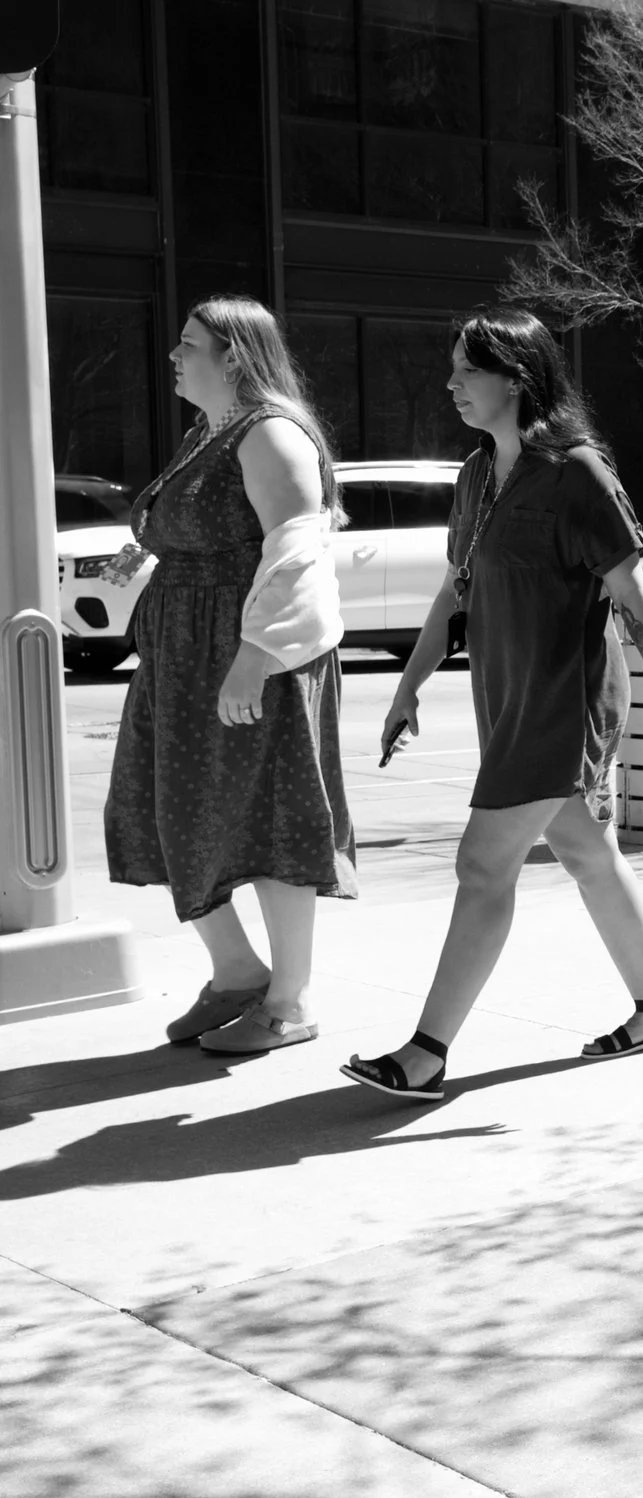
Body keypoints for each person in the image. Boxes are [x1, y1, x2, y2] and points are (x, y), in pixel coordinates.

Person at [340, 306, 643, 1103]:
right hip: (505, 698)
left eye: (466, 372)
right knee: (585, 856)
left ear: (515, 377)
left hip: (562, 701)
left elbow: (632, 592)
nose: (451, 385)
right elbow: (455, 589)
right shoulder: (478, 475)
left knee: (481, 867)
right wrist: (409, 685)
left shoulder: (576, 471)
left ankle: (426, 1053)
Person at [104, 294, 357, 1054]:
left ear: (234, 357)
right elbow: (206, 527)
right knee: (159, 808)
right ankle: (238, 973)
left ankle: (290, 1000)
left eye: (189, 345)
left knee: (271, 820)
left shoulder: (272, 434)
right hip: (183, 657)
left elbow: (297, 555)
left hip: (248, 656)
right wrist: (148, 551)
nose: (174, 357)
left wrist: (254, 660)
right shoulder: (205, 433)